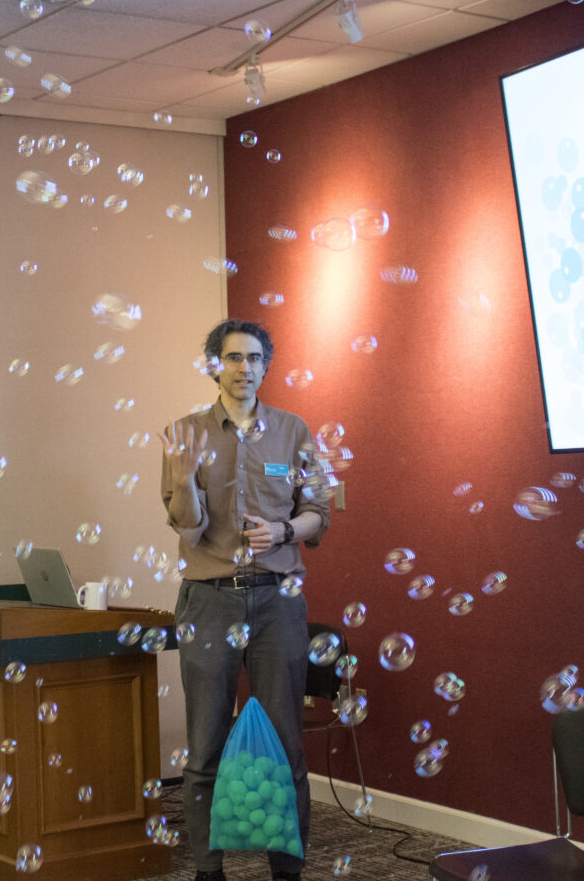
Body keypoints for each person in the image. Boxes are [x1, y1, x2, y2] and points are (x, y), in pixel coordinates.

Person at [161, 319, 332, 881]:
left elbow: (318, 515)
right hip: (209, 601)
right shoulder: (185, 433)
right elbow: (187, 528)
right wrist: (185, 482)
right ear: (215, 365)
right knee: (205, 747)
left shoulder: (293, 430)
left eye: (254, 358)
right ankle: (209, 874)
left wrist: (283, 531)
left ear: (266, 365)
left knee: (286, 744)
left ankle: (287, 873)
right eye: (232, 358)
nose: (244, 368)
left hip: (277, 602)